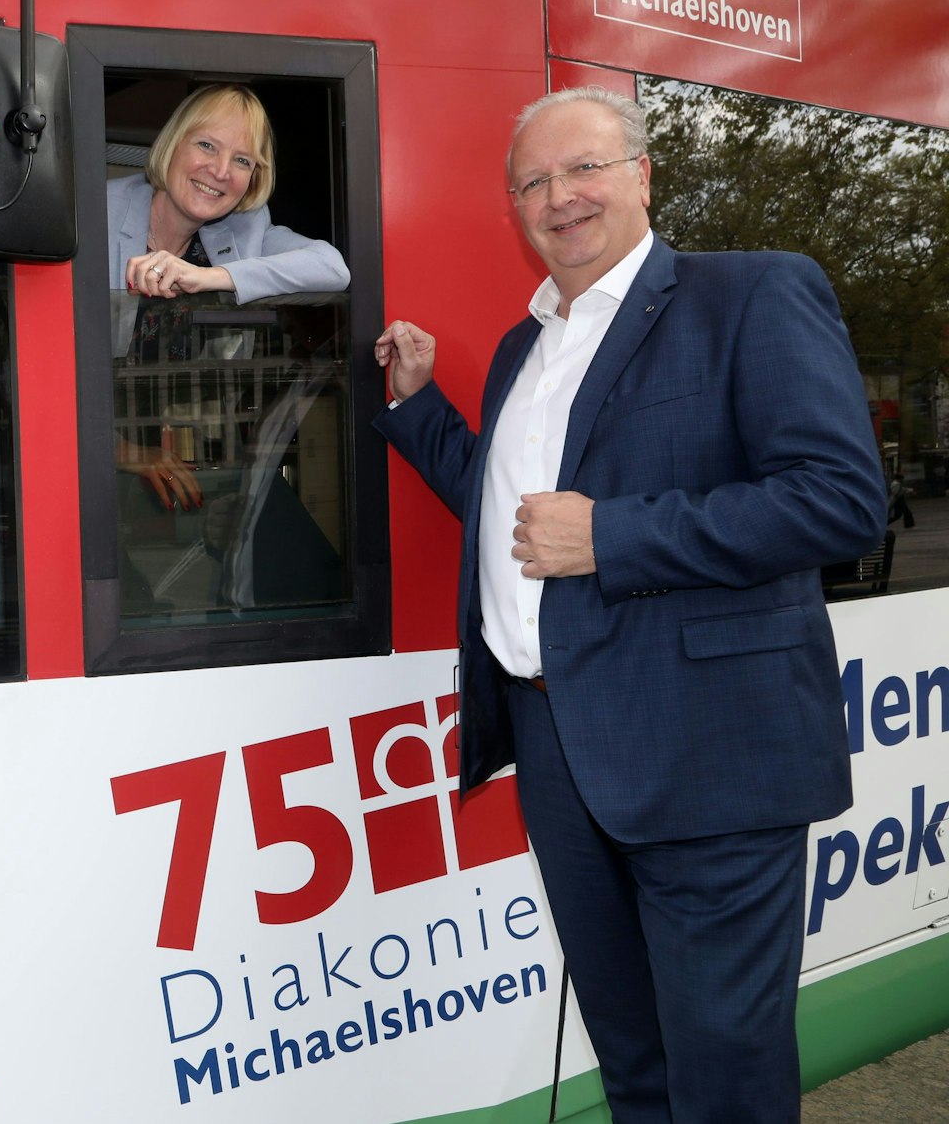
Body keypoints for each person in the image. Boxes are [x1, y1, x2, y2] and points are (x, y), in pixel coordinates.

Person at [372, 87, 883, 1122]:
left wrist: (611, 536)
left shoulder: (750, 295)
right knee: (634, 1061)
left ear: (642, 176)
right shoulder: (524, 349)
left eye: (584, 169)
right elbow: (507, 506)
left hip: (709, 751)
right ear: (513, 205)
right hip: (557, 744)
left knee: (722, 1077)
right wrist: (418, 411)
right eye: (533, 182)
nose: (559, 198)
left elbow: (838, 502)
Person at [107, 84, 349, 511]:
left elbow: (332, 267)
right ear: (172, 144)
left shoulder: (244, 231)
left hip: (181, 463)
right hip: (74, 453)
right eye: (206, 145)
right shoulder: (99, 212)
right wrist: (127, 453)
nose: (220, 171)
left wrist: (210, 277)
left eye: (242, 160)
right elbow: (41, 370)